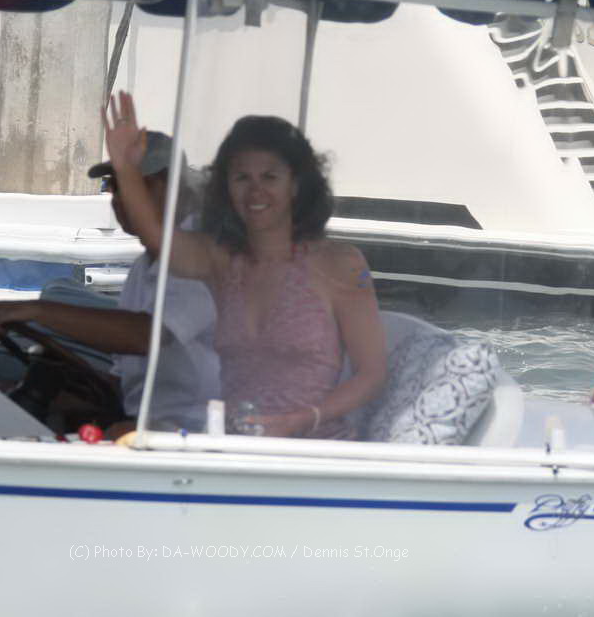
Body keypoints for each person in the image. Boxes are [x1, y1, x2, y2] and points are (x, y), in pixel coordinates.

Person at [103, 92, 387, 439]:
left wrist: (300, 420)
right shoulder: (222, 262)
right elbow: (154, 236)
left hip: (312, 449)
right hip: (237, 447)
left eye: (269, 177)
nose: (255, 191)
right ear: (226, 188)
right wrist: (125, 168)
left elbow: (372, 374)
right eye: (242, 178)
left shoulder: (340, 263)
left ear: (296, 185)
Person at [0, 131, 219, 439]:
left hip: (194, 429)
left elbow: (146, 335)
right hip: (146, 420)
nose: (117, 199)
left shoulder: (198, 255)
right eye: (113, 187)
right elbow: (122, 380)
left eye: (129, 184)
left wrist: (37, 311)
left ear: (168, 186)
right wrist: (65, 397)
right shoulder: (142, 269)